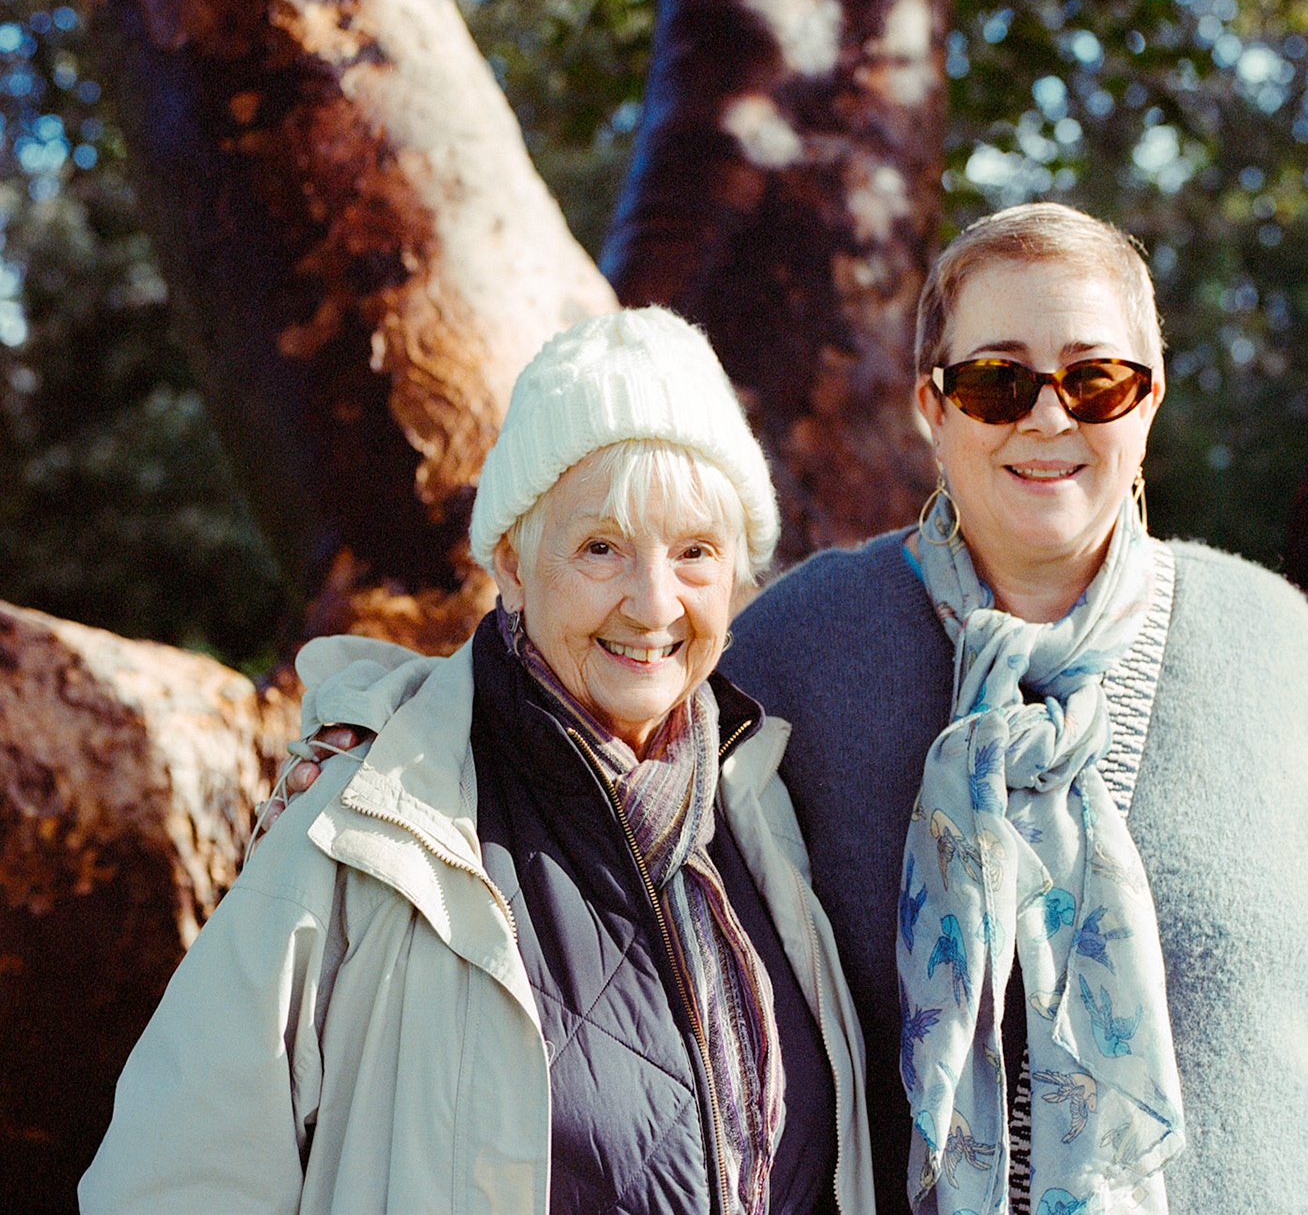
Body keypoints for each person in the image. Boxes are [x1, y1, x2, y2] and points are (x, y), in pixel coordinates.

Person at [721, 203, 1308, 1214]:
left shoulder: (1271, 640)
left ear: (1148, 403)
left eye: (1094, 378)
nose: (1048, 417)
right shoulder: (800, 648)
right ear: (931, 410)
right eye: (996, 382)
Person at [81, 309, 874, 1215]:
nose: (655, 603)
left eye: (696, 552)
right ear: (512, 562)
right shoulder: (366, 820)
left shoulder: (762, 809)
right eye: (601, 548)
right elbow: (173, 1181)